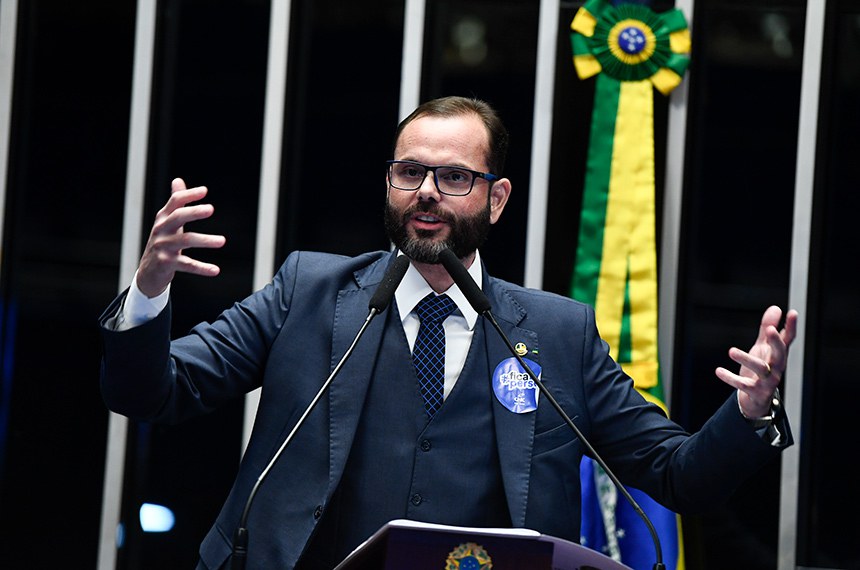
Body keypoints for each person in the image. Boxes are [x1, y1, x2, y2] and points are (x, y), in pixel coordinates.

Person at [99, 96, 798, 570]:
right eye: (410, 172)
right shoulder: (308, 291)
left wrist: (748, 413)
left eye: (454, 176)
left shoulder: (559, 333)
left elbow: (679, 476)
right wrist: (151, 292)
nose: (427, 191)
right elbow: (156, 393)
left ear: (496, 199)